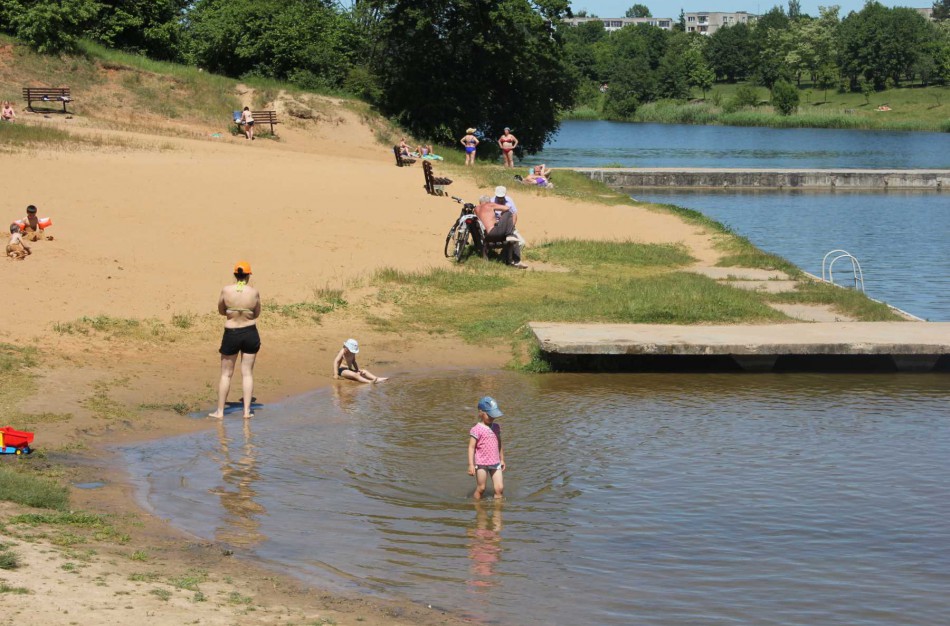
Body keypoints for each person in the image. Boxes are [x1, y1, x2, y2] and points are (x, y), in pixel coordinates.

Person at [209, 261, 261, 419]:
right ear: (248, 275)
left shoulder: (226, 290)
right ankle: (246, 411)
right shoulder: (254, 292)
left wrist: (233, 311)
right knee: (247, 374)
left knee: (226, 374)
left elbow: (221, 310)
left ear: (235, 274)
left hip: (231, 333)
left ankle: (220, 411)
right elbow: (257, 313)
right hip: (250, 332)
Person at [467, 396, 506, 500]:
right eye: (490, 415)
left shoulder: (496, 427)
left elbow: (499, 443)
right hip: (482, 463)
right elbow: (471, 447)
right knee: (481, 488)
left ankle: (497, 509)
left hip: (495, 462)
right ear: (481, 413)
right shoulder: (476, 429)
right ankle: (477, 505)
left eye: (494, 415)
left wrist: (502, 459)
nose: (492, 417)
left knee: (499, 488)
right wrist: (471, 465)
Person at [492, 186, 527, 267]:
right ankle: (509, 259)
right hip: (497, 227)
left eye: (502, 197)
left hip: (509, 226)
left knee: (521, 242)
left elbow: (514, 214)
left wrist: (512, 226)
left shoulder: (509, 200)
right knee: (510, 240)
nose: (500, 199)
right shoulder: (492, 201)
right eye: (498, 197)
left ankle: (504, 256)